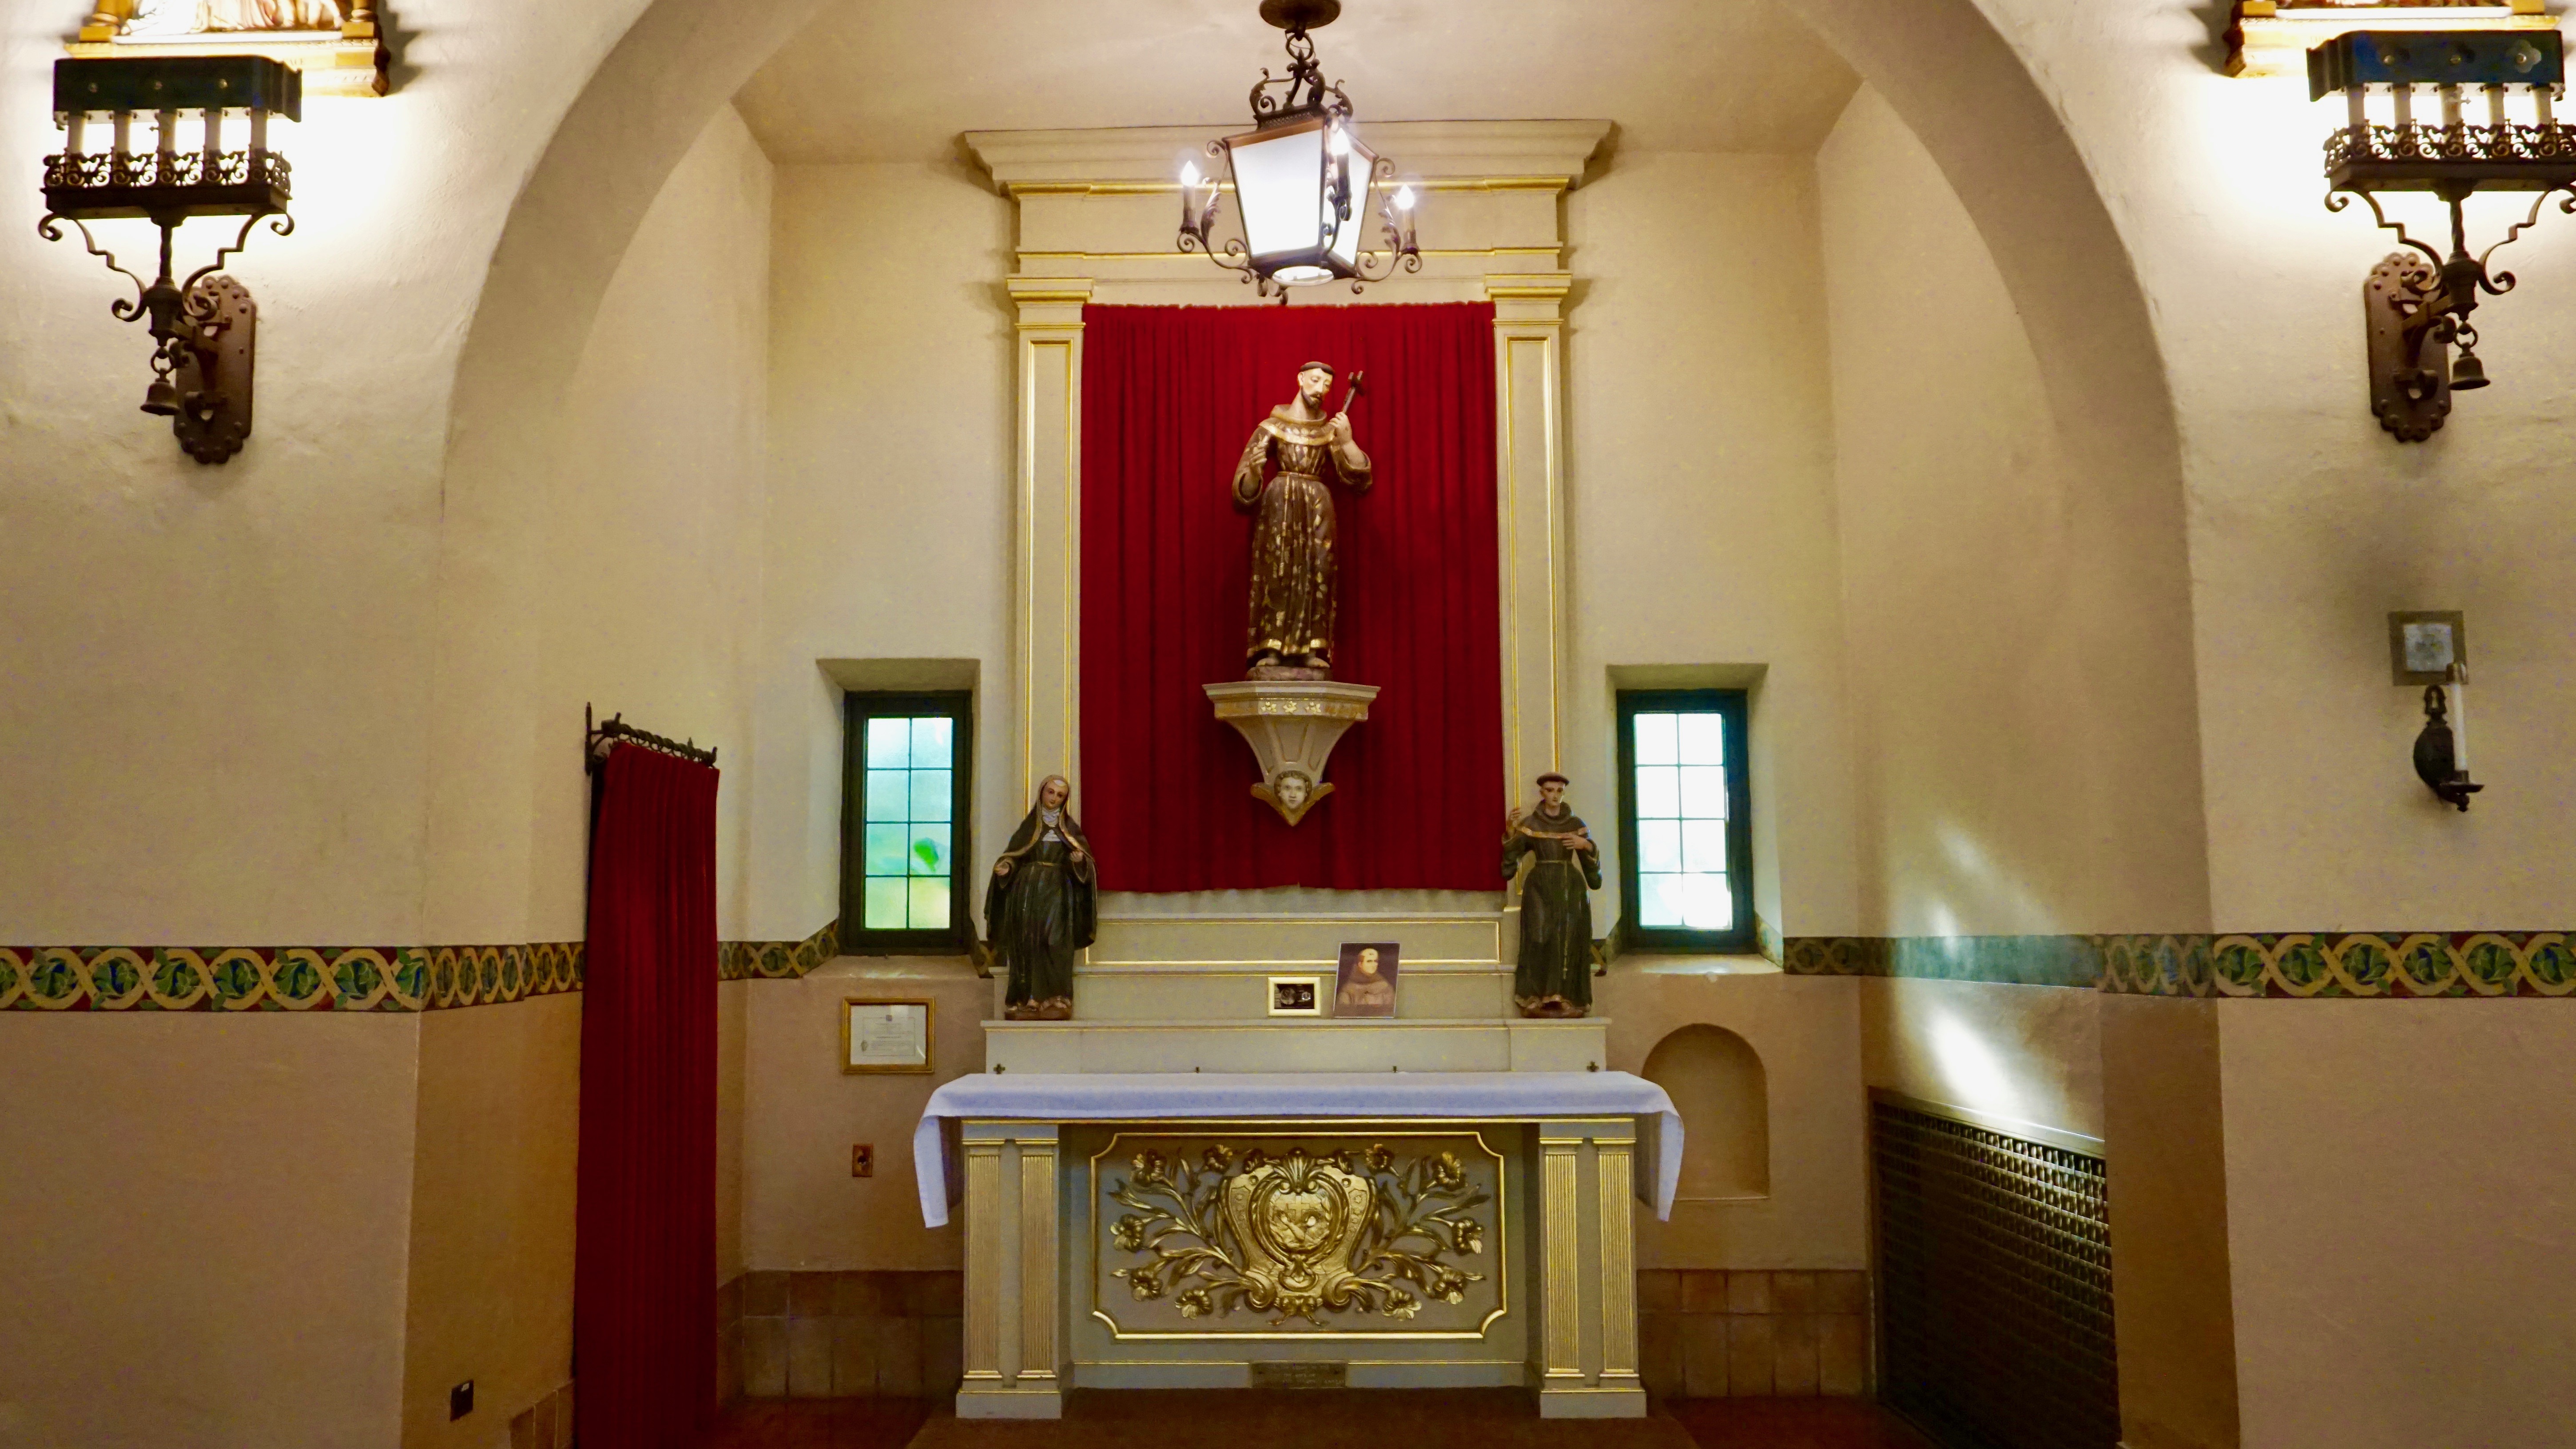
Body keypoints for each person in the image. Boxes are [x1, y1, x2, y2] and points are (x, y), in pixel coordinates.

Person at [1232, 361, 1372, 673]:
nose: (1321, 390)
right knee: (1278, 571)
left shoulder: (1330, 431)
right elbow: (1243, 488)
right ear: (1299, 379)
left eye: (1326, 385)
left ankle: (1314, 646)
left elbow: (1359, 479)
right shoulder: (1273, 425)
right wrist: (1255, 472)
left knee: (1317, 571)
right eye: (1315, 381)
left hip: (1318, 509)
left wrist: (1347, 441)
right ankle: (1272, 645)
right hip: (1279, 507)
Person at [985, 775, 1095, 1021]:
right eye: (1050, 793)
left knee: (1055, 942)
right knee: (1028, 942)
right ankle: (1028, 1000)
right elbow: (1015, 855)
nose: (1054, 799)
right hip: (1028, 892)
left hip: (1057, 892)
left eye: (1060, 795)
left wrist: (1078, 863)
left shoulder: (1070, 829)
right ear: (1042, 793)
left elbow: (1085, 863)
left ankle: (1055, 999)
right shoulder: (1028, 828)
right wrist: (1008, 868)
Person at [1503, 773, 1601, 1018]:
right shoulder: (1532, 824)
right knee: (1538, 936)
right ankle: (1536, 996)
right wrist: (1510, 832)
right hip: (1540, 885)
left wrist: (1586, 846)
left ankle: (1564, 997)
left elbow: (1591, 863)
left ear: (1563, 793)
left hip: (1570, 886)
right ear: (1542, 794)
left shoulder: (1575, 823)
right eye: (1550, 791)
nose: (1555, 796)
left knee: (1567, 938)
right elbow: (1513, 855)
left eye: (1559, 791)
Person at [1336, 945, 1395, 1013]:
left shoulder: (1385, 987)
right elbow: (1343, 1013)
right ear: (1360, 964)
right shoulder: (1348, 989)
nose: (1374, 965)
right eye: (1369, 961)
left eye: (1375, 961)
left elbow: (1390, 1012)